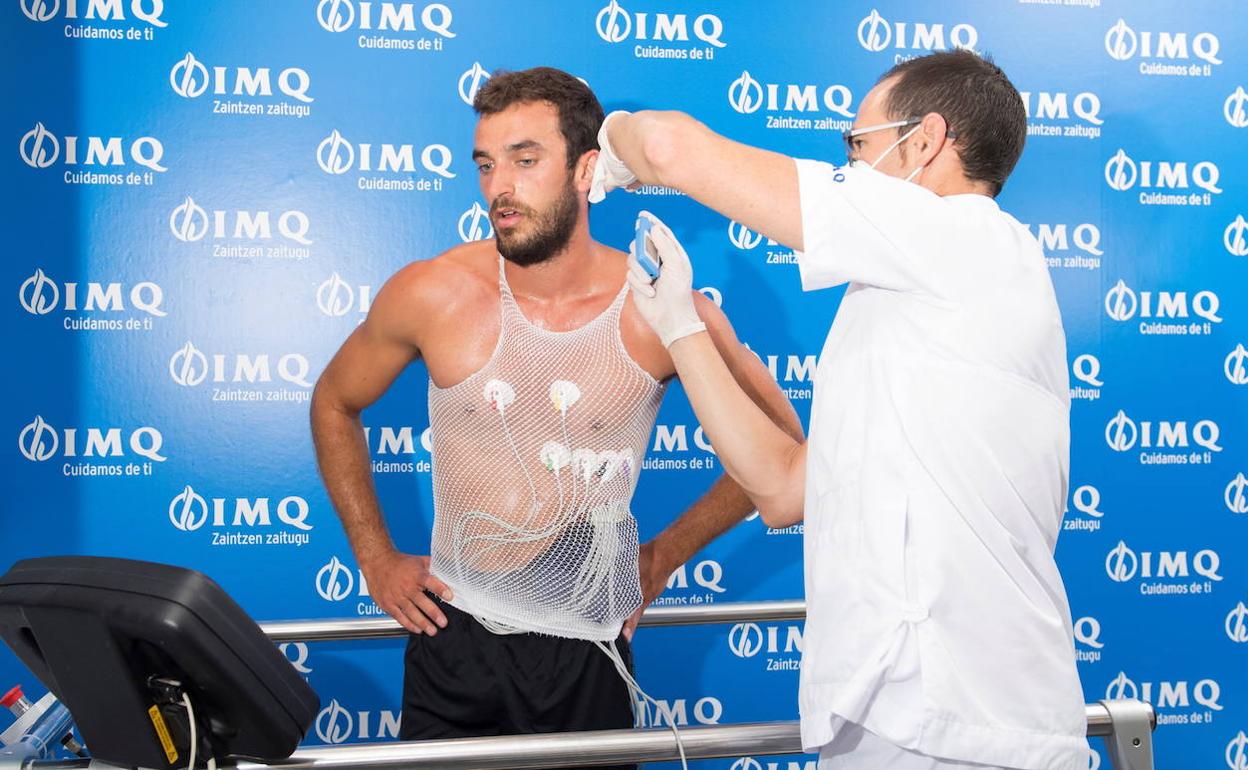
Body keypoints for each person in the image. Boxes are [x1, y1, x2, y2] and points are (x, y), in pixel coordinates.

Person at [596, 50, 1089, 769]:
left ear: (925, 141)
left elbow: (670, 148)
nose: (851, 167)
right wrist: (680, 327)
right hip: (891, 713)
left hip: (965, 719)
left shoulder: (965, 238)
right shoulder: (904, 299)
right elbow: (784, 487)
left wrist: (607, 146)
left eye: (857, 147)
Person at [309, 66, 802, 758]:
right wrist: (374, 556)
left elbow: (784, 446)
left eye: (525, 159)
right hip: (452, 638)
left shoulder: (657, 311)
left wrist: (662, 556)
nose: (499, 187)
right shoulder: (434, 292)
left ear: (587, 169)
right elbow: (335, 400)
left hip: (587, 653)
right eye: (486, 164)